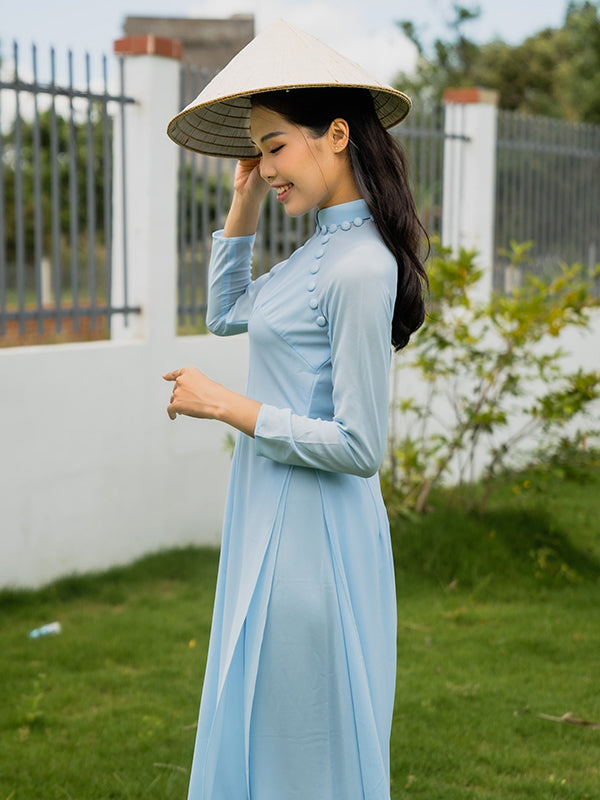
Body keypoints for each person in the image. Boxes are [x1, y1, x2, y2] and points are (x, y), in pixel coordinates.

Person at [164, 19, 428, 800]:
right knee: (259, 725)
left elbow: (360, 445)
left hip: (314, 538)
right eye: (258, 151)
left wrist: (226, 405)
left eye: (275, 147)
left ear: (336, 135)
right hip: (267, 515)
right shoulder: (314, 251)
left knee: (302, 746)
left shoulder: (357, 267)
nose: (267, 166)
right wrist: (244, 201)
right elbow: (225, 313)